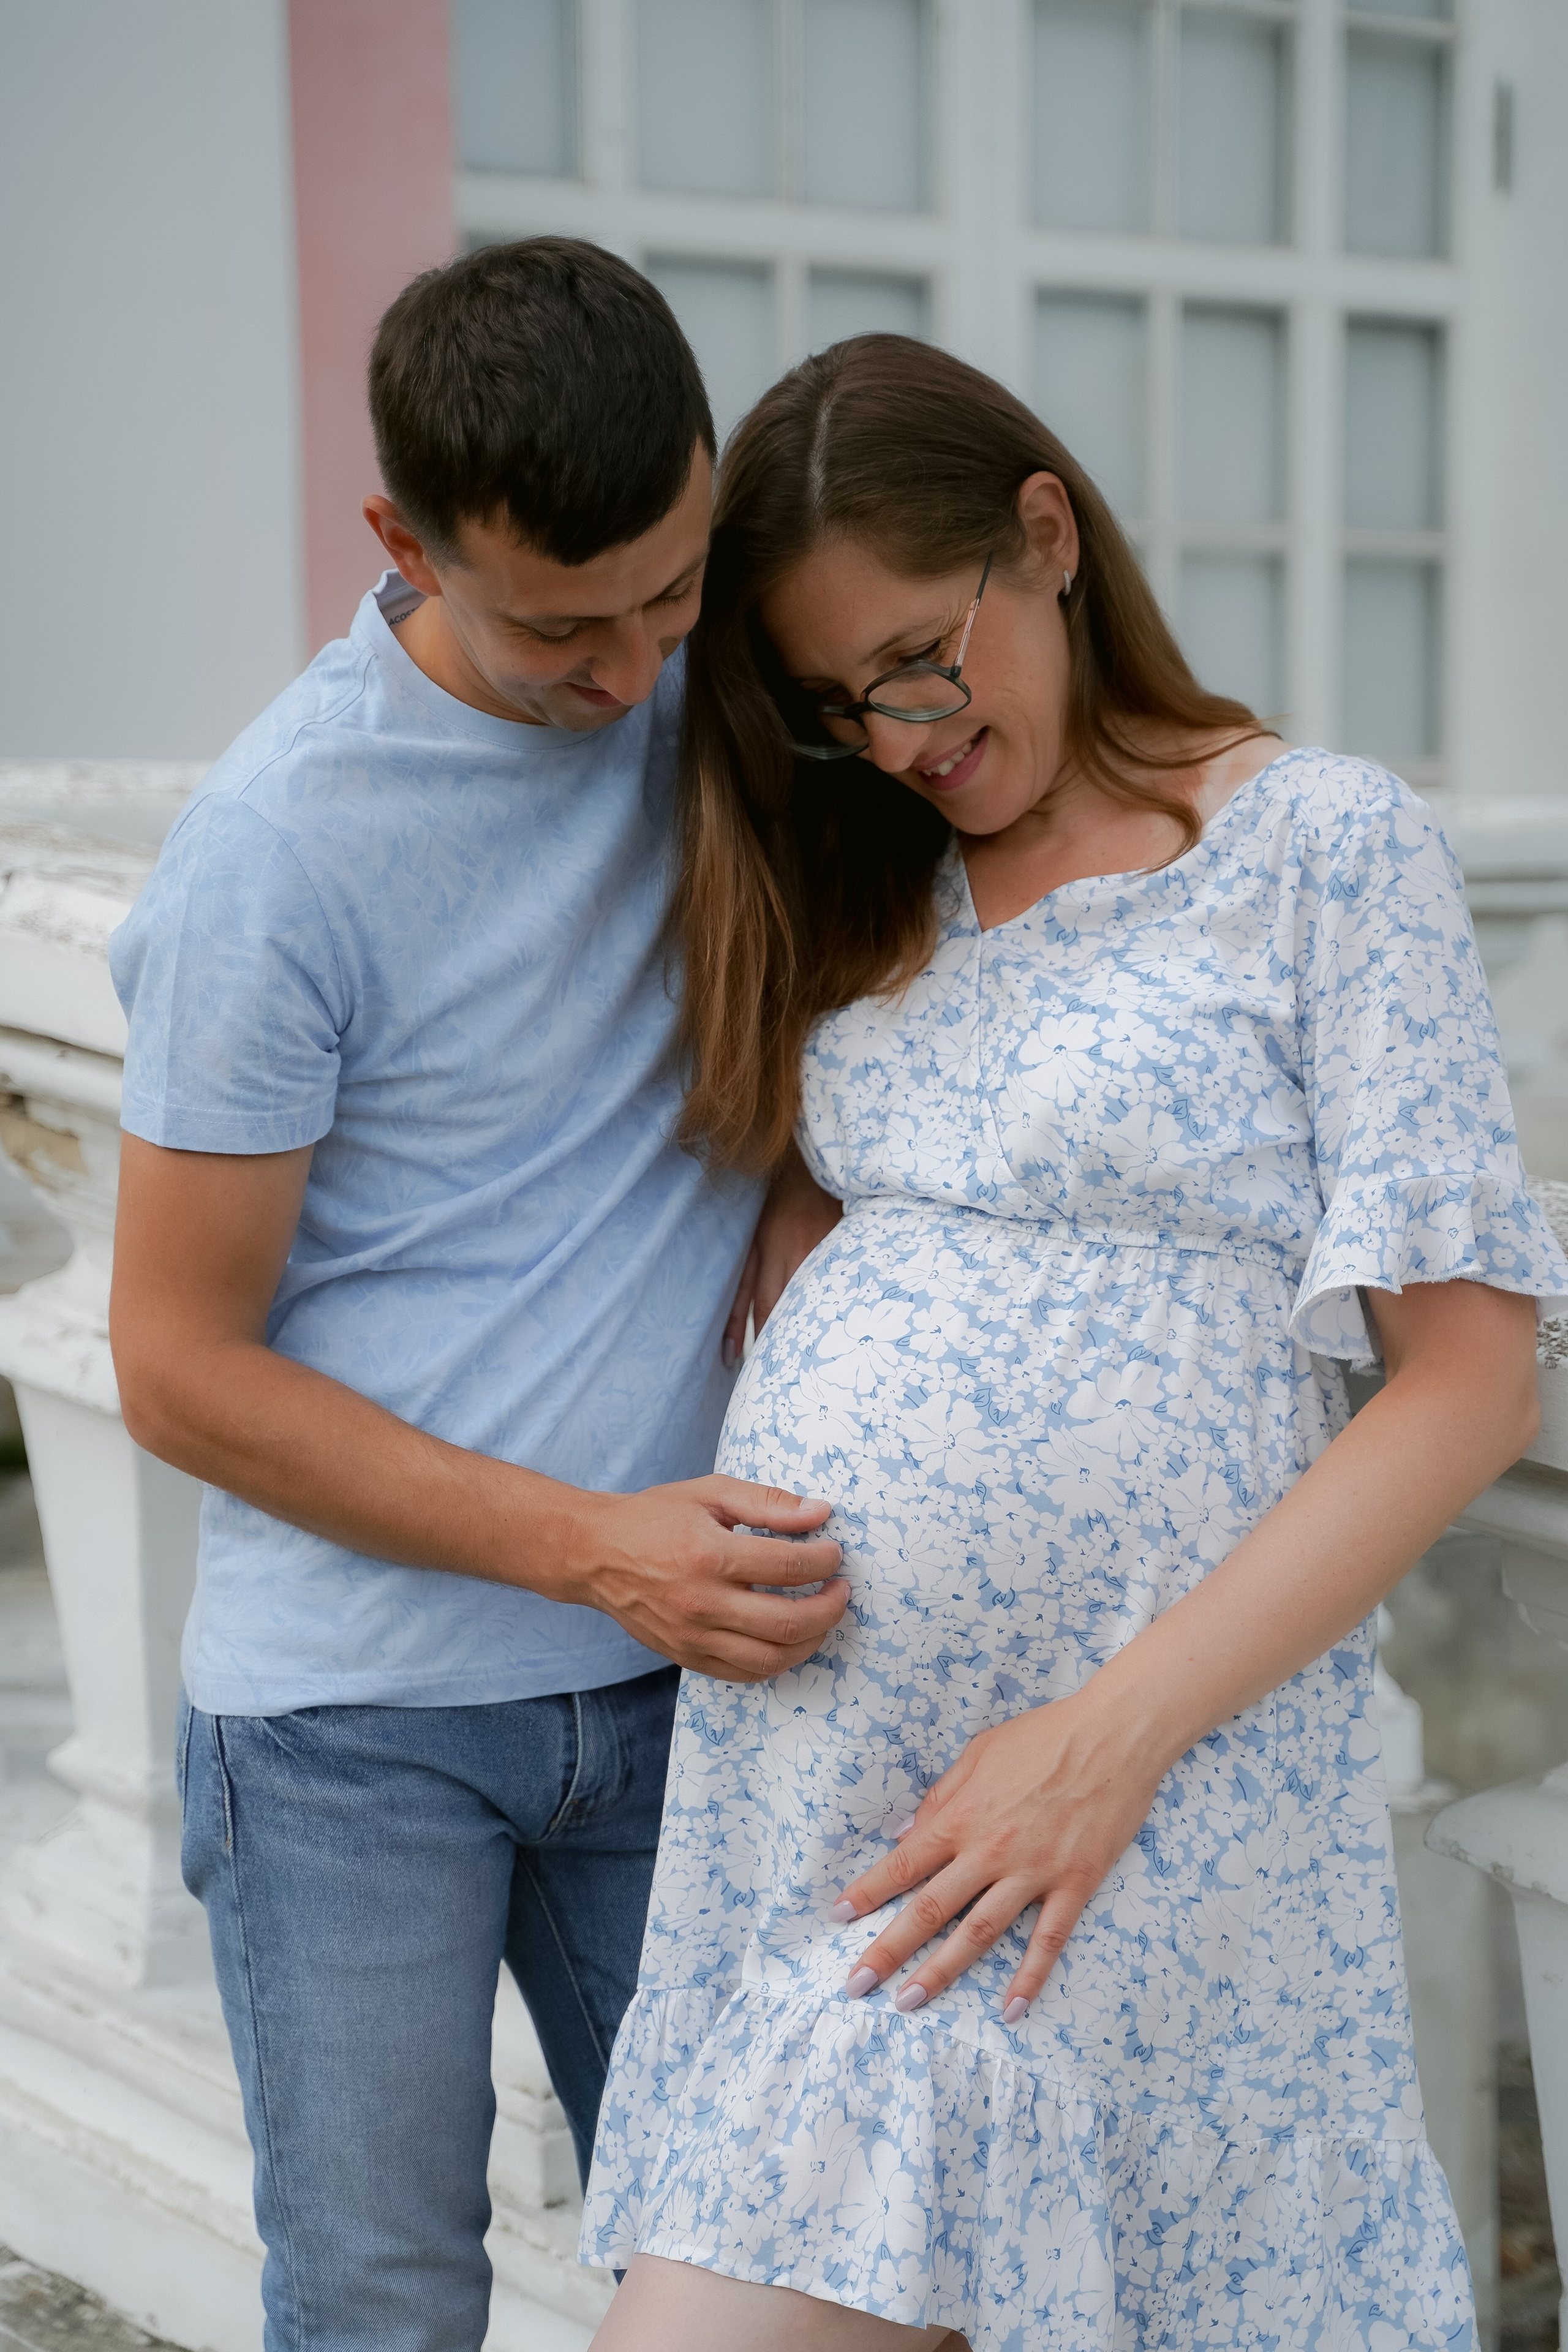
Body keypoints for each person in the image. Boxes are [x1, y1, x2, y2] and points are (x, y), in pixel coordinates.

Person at [581, 334, 1568, 2351]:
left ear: (1046, 536)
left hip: (1156, 1781)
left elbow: (1470, 1381)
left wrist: (1099, 1739)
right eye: (844, 705)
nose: (905, 735)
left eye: (923, 661)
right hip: (842, 1793)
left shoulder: (1319, 850)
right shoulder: (880, 890)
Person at [105, 238, 846, 2352]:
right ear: (401, 547)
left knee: (770, 2280)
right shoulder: (278, 850)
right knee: (383, 2302)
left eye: (671, 592)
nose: (631, 676)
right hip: (351, 1728)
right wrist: (598, 1551)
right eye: (558, 626)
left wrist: (801, 1180)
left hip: (685, 1703)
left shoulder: (723, 690)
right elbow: (174, 1368)